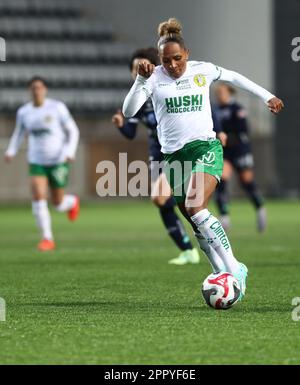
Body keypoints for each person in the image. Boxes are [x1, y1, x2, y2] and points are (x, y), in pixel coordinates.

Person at [122, 18, 284, 300]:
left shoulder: (202, 70)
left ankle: (235, 270)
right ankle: (217, 270)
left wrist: (266, 96)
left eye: (177, 59)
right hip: (173, 158)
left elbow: (234, 77)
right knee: (193, 219)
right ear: (159, 60)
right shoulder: (154, 78)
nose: (172, 65)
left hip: (205, 148)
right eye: (166, 60)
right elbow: (128, 112)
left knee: (197, 206)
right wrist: (140, 80)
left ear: (187, 54)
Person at [113, 47, 200, 265]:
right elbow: (131, 134)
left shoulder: (168, 87)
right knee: (164, 201)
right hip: (158, 155)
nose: (137, 71)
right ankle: (188, 249)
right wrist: (120, 125)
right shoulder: (137, 99)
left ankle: (202, 240)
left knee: (171, 200)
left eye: (140, 66)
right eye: (134, 68)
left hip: (181, 150)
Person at [4, 77, 80, 251]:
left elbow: (73, 130)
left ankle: (72, 202)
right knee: (38, 196)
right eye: (33, 88)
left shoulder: (57, 108)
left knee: (58, 203)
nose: (36, 90)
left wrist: (69, 151)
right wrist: (10, 151)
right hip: (36, 160)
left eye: (39, 87)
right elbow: (19, 133)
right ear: (29, 91)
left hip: (58, 160)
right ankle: (47, 238)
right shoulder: (24, 112)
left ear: (45, 90)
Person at [214, 82, 266, 232]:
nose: (219, 96)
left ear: (229, 93)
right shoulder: (215, 110)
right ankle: (224, 217)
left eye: (222, 92)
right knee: (221, 181)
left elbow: (243, 132)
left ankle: (259, 207)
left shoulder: (237, 109)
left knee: (246, 182)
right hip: (224, 151)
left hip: (240, 150)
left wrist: (226, 138)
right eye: (217, 93)